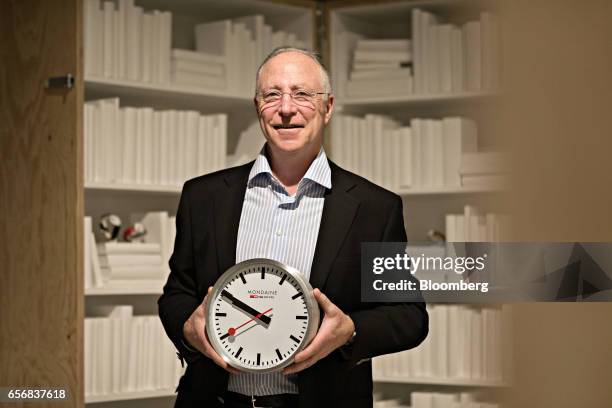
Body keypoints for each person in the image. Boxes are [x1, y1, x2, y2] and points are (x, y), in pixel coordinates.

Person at [158, 47, 428, 408]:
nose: (286, 108)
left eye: (302, 94)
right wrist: (188, 329)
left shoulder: (375, 208)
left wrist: (350, 330)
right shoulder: (202, 197)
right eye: (272, 95)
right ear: (257, 107)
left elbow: (408, 315)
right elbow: (177, 294)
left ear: (328, 107)